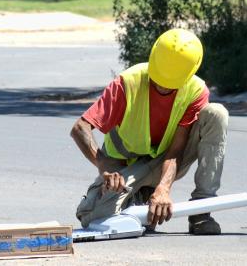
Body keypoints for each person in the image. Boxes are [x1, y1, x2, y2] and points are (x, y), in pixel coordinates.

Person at [71, 28, 229, 235]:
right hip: (124, 167)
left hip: (166, 161)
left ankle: (202, 210)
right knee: (93, 215)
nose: (163, 88)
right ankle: (139, 196)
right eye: (158, 81)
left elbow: (175, 151)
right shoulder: (128, 83)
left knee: (217, 113)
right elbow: (80, 128)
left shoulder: (195, 91)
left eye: (170, 86)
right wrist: (104, 167)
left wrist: (163, 189)